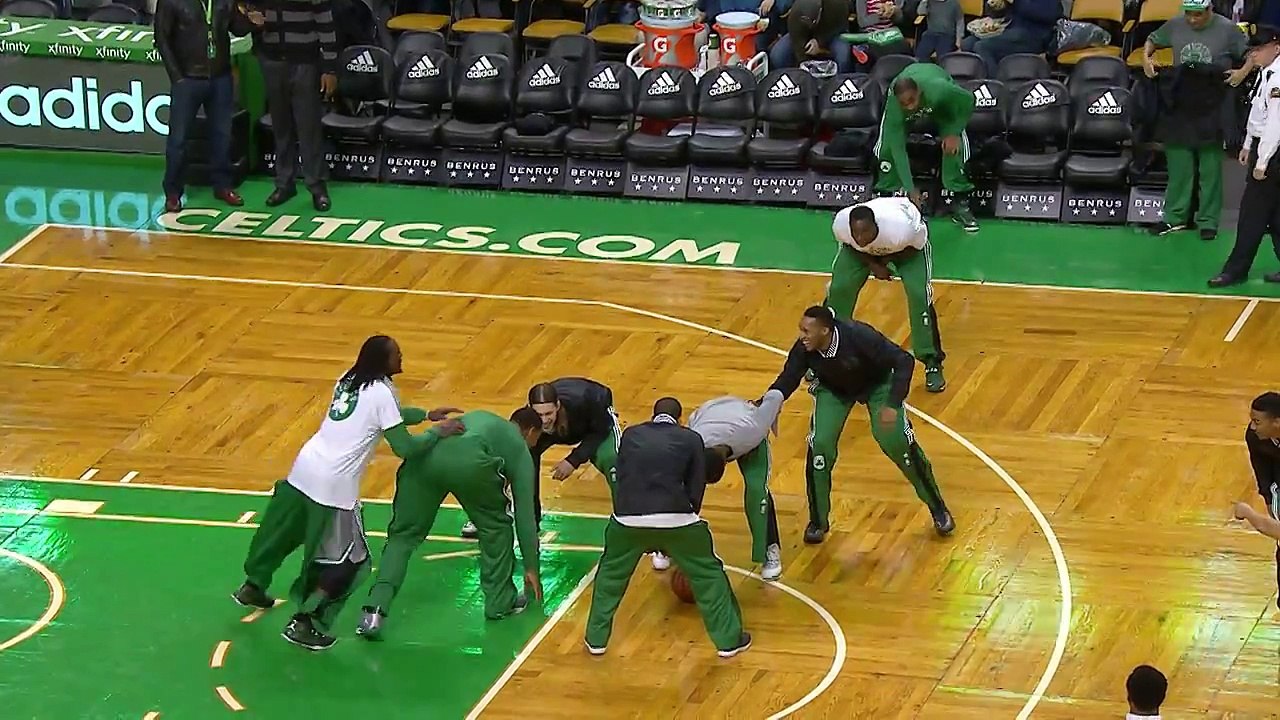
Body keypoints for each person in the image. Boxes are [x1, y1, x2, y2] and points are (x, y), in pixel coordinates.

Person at [232, 335, 460, 651]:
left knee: (283, 533)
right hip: (334, 487)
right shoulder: (382, 392)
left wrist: (424, 415)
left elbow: (382, 416)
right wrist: (437, 432)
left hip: (304, 469)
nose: (401, 357)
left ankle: (253, 586)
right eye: (397, 354)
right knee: (351, 560)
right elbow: (405, 447)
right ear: (383, 361)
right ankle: (306, 622)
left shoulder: (350, 379)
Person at [766, 306, 954, 544]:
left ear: (825, 330)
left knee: (897, 442)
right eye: (800, 330)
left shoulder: (859, 336)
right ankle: (818, 522)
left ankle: (938, 508)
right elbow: (788, 377)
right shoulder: (804, 348)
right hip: (835, 390)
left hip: (879, 386)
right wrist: (767, 403)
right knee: (819, 446)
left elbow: (903, 360)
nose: (801, 335)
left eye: (806, 330)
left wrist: (892, 403)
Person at [584, 398, 752, 658]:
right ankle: (729, 642)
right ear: (680, 418)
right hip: (677, 519)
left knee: (610, 576)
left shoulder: (631, 435)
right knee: (709, 576)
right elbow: (697, 484)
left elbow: (623, 474)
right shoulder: (691, 439)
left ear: (654, 415)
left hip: (628, 518)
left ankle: (596, 639)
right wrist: (688, 514)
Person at [357, 408, 546, 637]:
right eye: (536, 439)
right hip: (471, 462)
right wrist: (531, 567)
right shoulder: (519, 448)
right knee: (496, 529)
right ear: (531, 431)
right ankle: (500, 603)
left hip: (426, 458)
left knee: (402, 538)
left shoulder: (481, 417)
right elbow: (526, 513)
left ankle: (374, 611)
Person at [1143, 0, 1249, 241]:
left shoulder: (1227, 29)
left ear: (1210, 10)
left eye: (1198, 15)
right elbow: (1152, 40)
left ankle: (1208, 220)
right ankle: (1174, 217)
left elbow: (1251, 54)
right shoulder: (1175, 25)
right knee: (1179, 162)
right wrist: (1146, 59)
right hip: (1181, 98)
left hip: (1213, 99)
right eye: (1189, 14)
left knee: (1210, 166)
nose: (1192, 19)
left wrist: (1241, 72)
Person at [827, 197, 947, 393]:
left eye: (864, 231)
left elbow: (915, 248)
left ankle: (932, 361)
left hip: (907, 251)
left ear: (876, 226)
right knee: (839, 289)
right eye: (855, 232)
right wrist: (873, 264)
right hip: (862, 255)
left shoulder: (902, 230)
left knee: (919, 295)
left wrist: (884, 262)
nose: (859, 236)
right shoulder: (841, 225)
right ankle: (828, 352)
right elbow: (851, 246)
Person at [154, 0, 261, 212]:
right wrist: (177, 77)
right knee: (178, 139)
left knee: (222, 136)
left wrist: (250, 20)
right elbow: (162, 38)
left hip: (220, 78)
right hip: (188, 79)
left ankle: (222, 185)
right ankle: (173, 192)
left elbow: (236, 27)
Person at [688, 391, 785, 580]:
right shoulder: (692, 441)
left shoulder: (753, 430)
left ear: (726, 462)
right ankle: (671, 544)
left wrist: (769, 406)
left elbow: (775, 397)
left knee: (758, 491)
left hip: (747, 425)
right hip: (710, 411)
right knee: (684, 487)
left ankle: (769, 548)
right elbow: (693, 417)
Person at [1210, 26, 1280, 287]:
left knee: (1252, 214)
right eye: (1251, 50)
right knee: (1276, 215)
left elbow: (1276, 124)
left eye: (1258, 50)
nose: (1253, 55)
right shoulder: (1266, 73)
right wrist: (1249, 143)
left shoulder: (1278, 79)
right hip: (1264, 147)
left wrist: (1261, 161)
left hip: (1274, 153)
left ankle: (1235, 270)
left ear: (1276, 47)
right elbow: (1257, 113)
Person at [253, 0, 339, 212]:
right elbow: (247, 10)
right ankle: (284, 184)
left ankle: (317, 187)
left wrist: (330, 68)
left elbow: (326, 22)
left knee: (308, 127)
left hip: (305, 62)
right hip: (272, 61)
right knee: (281, 126)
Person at [875, 63, 979, 232]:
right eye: (904, 103)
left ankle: (961, 204)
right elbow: (898, 149)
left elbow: (968, 99)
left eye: (911, 101)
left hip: (942, 106)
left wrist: (954, 132)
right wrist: (910, 188)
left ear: (919, 92)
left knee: (953, 147)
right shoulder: (895, 106)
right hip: (907, 97)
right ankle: (886, 202)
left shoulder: (940, 89)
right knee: (887, 149)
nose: (909, 107)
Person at [1230, 391, 1280, 609]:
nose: (1252, 427)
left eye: (1257, 421)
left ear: (1277, 422)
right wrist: (1268, 500)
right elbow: (1262, 469)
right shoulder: (1255, 437)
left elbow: (1274, 530)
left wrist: (1248, 512)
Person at [959, 0, 1061, 76]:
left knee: (982, 47)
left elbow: (1051, 14)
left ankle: (997, 91)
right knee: (967, 43)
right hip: (1009, 29)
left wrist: (1016, 2)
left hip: (1035, 35)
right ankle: (974, 87)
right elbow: (1008, 13)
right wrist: (996, 8)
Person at [770, 0, 856, 75]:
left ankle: (841, 82)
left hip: (832, 32)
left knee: (843, 54)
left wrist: (819, 41)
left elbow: (840, 24)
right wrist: (805, 63)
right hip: (805, 35)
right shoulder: (796, 13)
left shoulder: (837, 4)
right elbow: (797, 39)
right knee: (778, 55)